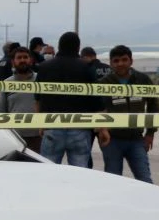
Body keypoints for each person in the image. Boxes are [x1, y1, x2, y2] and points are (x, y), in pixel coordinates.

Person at [34, 32, 110, 167]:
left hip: (52, 126)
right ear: (78, 47)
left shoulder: (45, 67)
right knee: (79, 174)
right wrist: (103, 128)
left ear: (59, 45)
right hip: (79, 128)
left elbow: (38, 98)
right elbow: (97, 100)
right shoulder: (86, 68)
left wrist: (40, 123)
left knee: (48, 173)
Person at [98, 44, 158, 182]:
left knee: (145, 180)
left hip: (137, 139)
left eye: (124, 60)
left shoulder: (142, 80)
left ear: (131, 61)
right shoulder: (103, 83)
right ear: (111, 63)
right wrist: (102, 129)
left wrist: (150, 133)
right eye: (116, 61)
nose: (120, 64)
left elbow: (153, 105)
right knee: (113, 181)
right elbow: (97, 108)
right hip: (112, 141)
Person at [0, 45, 41, 151]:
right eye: (19, 58)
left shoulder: (41, 80)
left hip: (38, 136)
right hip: (15, 137)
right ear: (13, 62)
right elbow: (0, 110)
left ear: (31, 60)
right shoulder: (7, 83)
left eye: (25, 57)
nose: (22, 60)